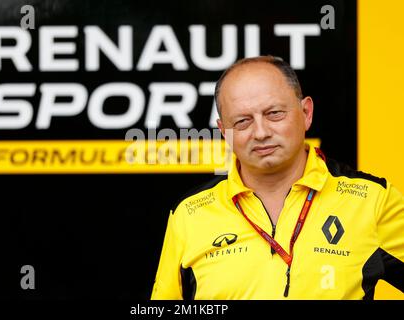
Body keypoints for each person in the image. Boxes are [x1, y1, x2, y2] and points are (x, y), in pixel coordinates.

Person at [150, 56, 404, 300]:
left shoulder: (373, 200)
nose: (260, 132)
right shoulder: (190, 214)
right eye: (242, 121)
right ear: (224, 132)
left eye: (274, 114)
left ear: (306, 113)